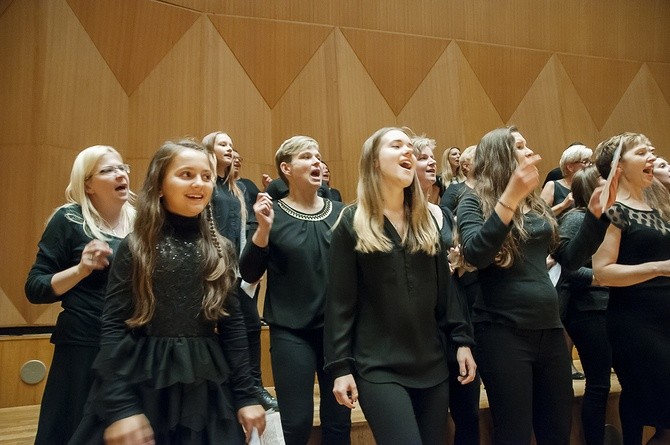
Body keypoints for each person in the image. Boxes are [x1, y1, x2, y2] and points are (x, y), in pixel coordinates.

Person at [69, 139, 266, 444]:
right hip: (142, 383)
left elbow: (233, 325)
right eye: (186, 174)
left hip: (204, 384)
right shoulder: (135, 248)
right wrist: (121, 408)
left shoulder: (221, 249)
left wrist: (246, 395)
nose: (198, 183)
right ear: (159, 185)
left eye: (206, 176)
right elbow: (113, 328)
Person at [324, 127, 476, 445]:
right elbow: (340, 303)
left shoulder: (426, 223)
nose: (408, 151)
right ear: (374, 162)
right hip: (378, 367)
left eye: (410, 147)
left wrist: (461, 340)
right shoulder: (351, 223)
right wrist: (340, 368)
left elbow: (445, 293)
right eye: (396, 146)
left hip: (432, 365)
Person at [457, 126, 574, 445]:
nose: (528, 151)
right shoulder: (473, 201)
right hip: (502, 331)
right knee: (514, 434)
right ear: (501, 157)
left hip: (549, 330)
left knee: (557, 432)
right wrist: (509, 198)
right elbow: (476, 254)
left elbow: (569, 256)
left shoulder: (535, 205)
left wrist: (594, 216)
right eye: (520, 146)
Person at [240, 136, 351, 444]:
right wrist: (263, 229)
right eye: (307, 157)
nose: (317, 162)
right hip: (291, 332)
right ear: (286, 168)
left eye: (318, 156)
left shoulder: (343, 213)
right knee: (297, 423)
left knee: (338, 423)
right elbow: (248, 273)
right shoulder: (270, 213)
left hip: (337, 334)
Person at [25, 145, 135, 444]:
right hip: (83, 347)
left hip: (132, 346)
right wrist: (80, 270)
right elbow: (35, 287)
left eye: (122, 167)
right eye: (108, 170)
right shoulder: (69, 221)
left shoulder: (141, 224)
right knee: (76, 431)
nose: (120, 173)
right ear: (87, 183)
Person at [593, 133, 670, 445]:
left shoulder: (660, 205)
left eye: (651, 149)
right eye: (642, 152)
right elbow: (603, 272)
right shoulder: (612, 210)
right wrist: (661, 268)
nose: (651, 156)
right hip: (637, 324)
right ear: (619, 167)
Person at [413, 134, 481, 445]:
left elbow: (456, 270)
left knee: (468, 414)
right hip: (419, 331)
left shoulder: (443, 212)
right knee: (429, 422)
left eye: (432, 157)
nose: (431, 162)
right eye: (423, 157)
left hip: (454, 321)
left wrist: (461, 263)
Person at [202, 131, 277, 411]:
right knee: (219, 329)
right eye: (223, 144)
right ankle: (226, 389)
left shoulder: (236, 188)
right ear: (209, 149)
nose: (231, 149)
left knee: (250, 325)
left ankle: (254, 386)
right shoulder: (206, 184)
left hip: (236, 271)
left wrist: (249, 271)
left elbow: (242, 231)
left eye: (232, 145)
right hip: (211, 269)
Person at [555, 165, 612, 445]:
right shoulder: (575, 219)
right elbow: (569, 268)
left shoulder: (610, 218)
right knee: (599, 384)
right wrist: (604, 278)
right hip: (587, 310)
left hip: (604, 307)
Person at [540, 143, 593, 217]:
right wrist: (563, 205)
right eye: (585, 162)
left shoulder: (591, 186)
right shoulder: (552, 186)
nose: (590, 165)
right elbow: (540, 216)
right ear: (570, 167)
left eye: (590, 162)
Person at [440, 145, 477, 216]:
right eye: (479, 159)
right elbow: (445, 217)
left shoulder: (491, 188)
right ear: (466, 166)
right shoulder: (453, 190)